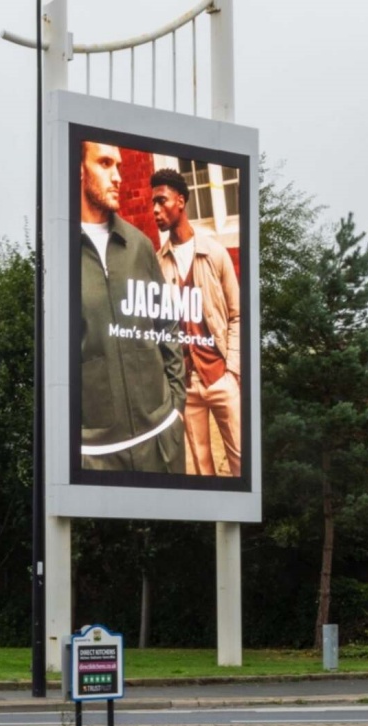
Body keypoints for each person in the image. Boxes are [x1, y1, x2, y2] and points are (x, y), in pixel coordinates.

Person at [75, 141, 185, 474]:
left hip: (161, 439)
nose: (118, 177)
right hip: (96, 455)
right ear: (78, 169)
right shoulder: (57, 253)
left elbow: (167, 326)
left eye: (119, 166)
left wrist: (176, 406)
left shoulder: (139, 245)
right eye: (105, 163)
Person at [150, 168, 243, 477]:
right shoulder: (157, 263)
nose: (155, 210)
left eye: (162, 201)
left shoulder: (214, 253)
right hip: (186, 385)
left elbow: (237, 314)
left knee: (241, 464)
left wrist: (233, 371)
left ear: (180, 201)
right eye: (152, 203)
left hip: (221, 378)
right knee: (203, 471)